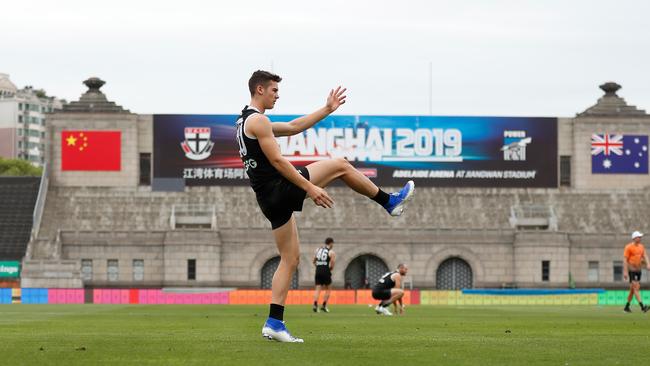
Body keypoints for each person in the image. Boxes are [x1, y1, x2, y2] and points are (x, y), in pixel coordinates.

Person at [236, 70, 415, 342]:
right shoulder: (258, 121)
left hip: (266, 199)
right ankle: (389, 202)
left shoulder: (245, 122)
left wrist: (327, 109)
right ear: (259, 90)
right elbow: (278, 162)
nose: (277, 95)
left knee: (290, 259)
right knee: (341, 164)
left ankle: (274, 322)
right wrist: (309, 187)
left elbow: (295, 127)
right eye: (274, 90)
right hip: (279, 189)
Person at [623, 231, 650, 313]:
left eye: (640, 237)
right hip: (632, 270)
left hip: (638, 270)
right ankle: (642, 307)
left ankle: (626, 307)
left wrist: (648, 264)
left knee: (632, 289)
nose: (640, 238)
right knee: (636, 288)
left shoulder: (641, 247)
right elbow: (625, 260)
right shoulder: (628, 247)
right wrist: (625, 272)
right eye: (639, 237)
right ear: (634, 238)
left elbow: (645, 255)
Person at [313, 237, 336, 313]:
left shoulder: (318, 250)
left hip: (318, 270)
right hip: (326, 270)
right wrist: (330, 269)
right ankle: (324, 305)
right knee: (328, 288)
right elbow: (332, 262)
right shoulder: (331, 252)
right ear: (331, 243)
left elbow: (313, 261)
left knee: (318, 289)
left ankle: (315, 305)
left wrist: (319, 266)